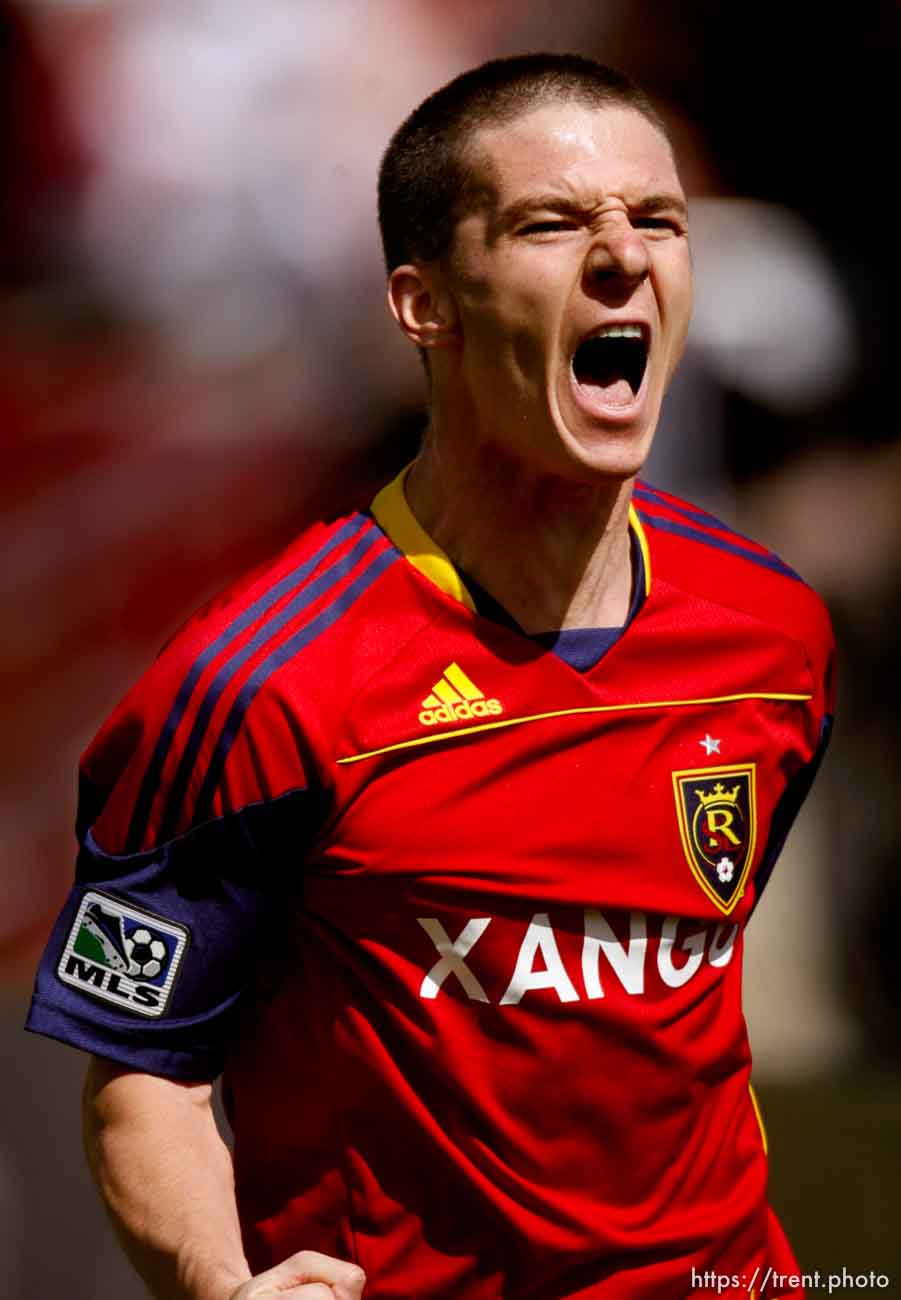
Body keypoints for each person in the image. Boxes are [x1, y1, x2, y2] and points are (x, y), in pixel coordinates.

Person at [26, 53, 835, 1300]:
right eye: (553, 222)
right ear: (426, 304)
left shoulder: (769, 632)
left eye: (659, 219)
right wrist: (220, 1283)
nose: (623, 255)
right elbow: (141, 1071)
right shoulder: (260, 683)